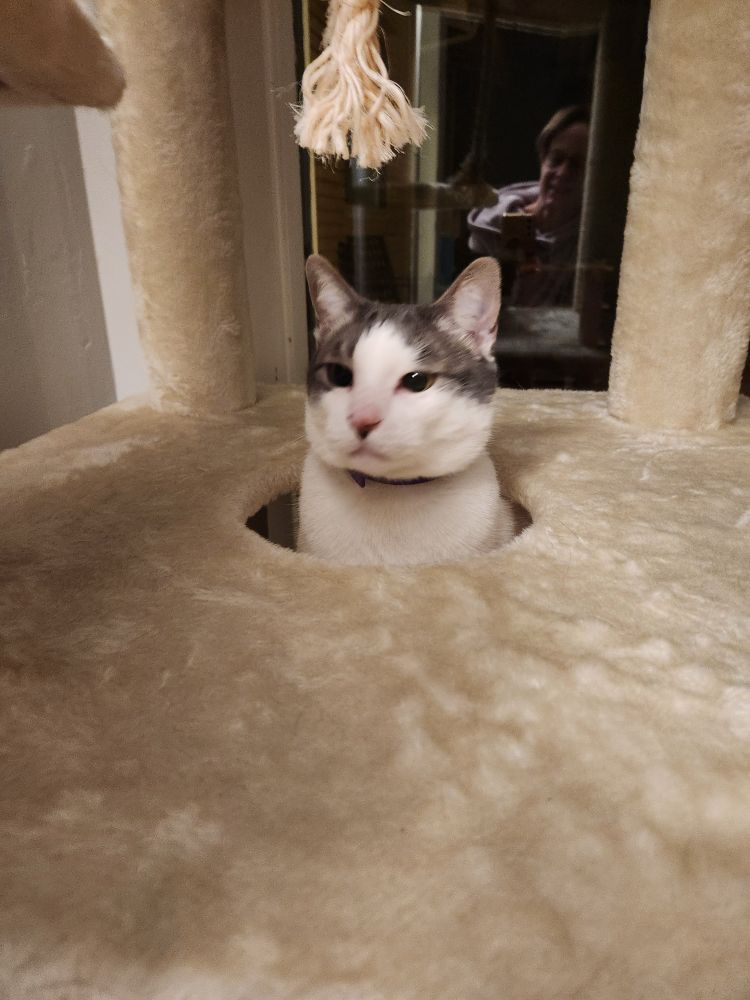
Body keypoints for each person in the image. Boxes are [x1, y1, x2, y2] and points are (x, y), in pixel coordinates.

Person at [467, 106, 590, 307]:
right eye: (556, 159)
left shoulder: (588, 244)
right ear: (543, 160)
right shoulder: (492, 227)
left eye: (576, 165)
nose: (562, 173)